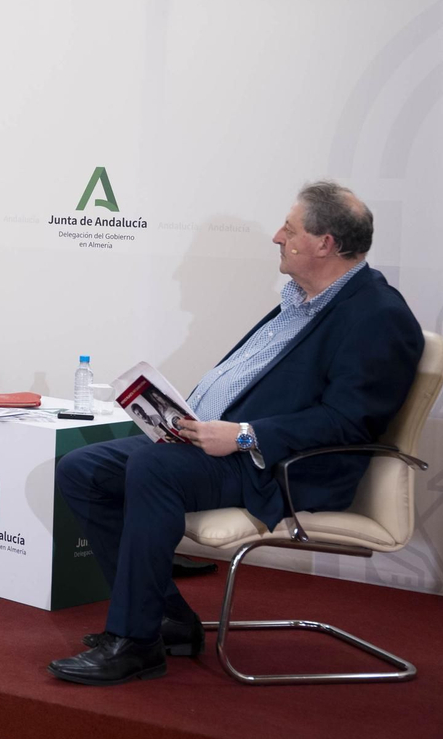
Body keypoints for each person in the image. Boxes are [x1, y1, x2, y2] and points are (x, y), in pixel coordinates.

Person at [48, 181, 423, 686]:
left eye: (289, 229)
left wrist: (245, 434)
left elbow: (348, 420)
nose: (276, 237)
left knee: (151, 466)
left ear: (324, 243)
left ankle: (137, 643)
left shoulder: (378, 315)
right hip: (218, 446)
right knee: (81, 469)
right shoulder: (301, 301)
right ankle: (168, 620)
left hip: (282, 468)